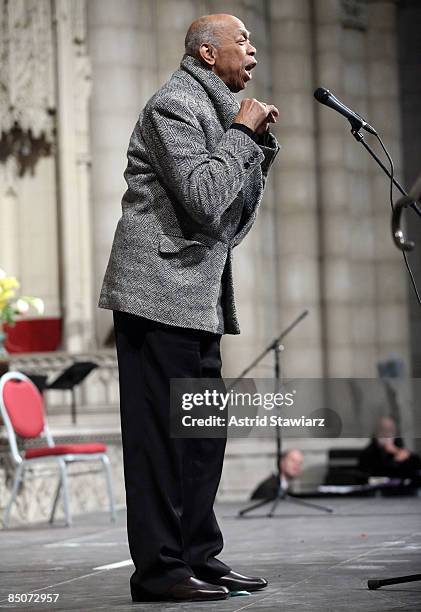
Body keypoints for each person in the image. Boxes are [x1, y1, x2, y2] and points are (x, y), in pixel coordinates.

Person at [98, 13, 280, 604]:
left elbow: (229, 222)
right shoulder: (172, 106)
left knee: (203, 436)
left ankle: (199, 555)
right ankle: (159, 572)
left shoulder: (216, 111)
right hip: (156, 298)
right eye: (242, 41)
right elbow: (204, 200)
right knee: (160, 441)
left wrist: (254, 149)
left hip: (194, 298)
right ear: (207, 53)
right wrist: (244, 138)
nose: (252, 51)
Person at [358, 416, 421, 480]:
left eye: (390, 430)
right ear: (376, 432)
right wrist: (395, 462)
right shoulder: (367, 454)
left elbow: (415, 468)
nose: (387, 434)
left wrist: (398, 452)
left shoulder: (398, 449)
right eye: (383, 430)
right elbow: (372, 479)